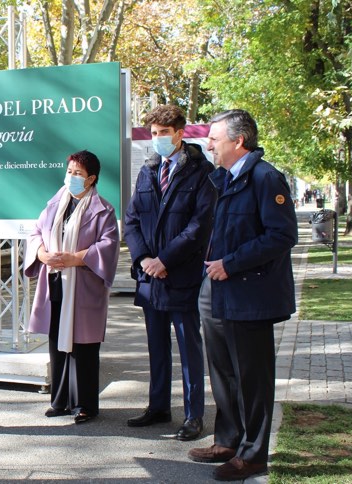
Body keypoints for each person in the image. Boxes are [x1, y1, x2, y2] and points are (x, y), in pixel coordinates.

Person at [187, 110, 297, 481]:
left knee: (251, 377)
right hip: (216, 292)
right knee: (223, 373)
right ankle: (228, 440)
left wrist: (231, 264)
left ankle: (253, 455)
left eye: (215, 138)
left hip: (248, 294)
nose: (209, 144)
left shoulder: (266, 179)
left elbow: (281, 236)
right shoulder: (225, 178)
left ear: (239, 141)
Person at [124, 105, 216, 441]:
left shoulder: (202, 173)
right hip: (150, 279)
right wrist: (145, 259)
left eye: (164, 132)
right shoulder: (148, 171)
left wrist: (164, 260)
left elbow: (199, 227)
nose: (158, 138)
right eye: (154, 133)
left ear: (180, 133)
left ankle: (194, 415)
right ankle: (158, 406)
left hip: (182, 276)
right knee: (156, 345)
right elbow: (132, 220)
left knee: (189, 348)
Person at [24, 150, 119, 424]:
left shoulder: (103, 209)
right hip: (56, 283)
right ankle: (60, 400)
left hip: (84, 285)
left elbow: (108, 246)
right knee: (57, 342)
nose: (71, 177)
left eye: (78, 173)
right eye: (70, 172)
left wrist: (75, 259)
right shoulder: (55, 203)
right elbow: (36, 233)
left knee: (84, 346)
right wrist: (42, 254)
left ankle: (85, 404)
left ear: (91, 179)